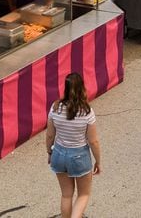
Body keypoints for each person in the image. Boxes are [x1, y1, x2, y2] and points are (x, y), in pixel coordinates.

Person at [47, 72, 101, 218]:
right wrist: (98, 161)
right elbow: (93, 141)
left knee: (66, 195)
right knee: (83, 195)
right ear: (82, 88)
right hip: (79, 156)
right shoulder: (87, 111)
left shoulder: (55, 107)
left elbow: (50, 135)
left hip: (58, 154)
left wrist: (49, 153)